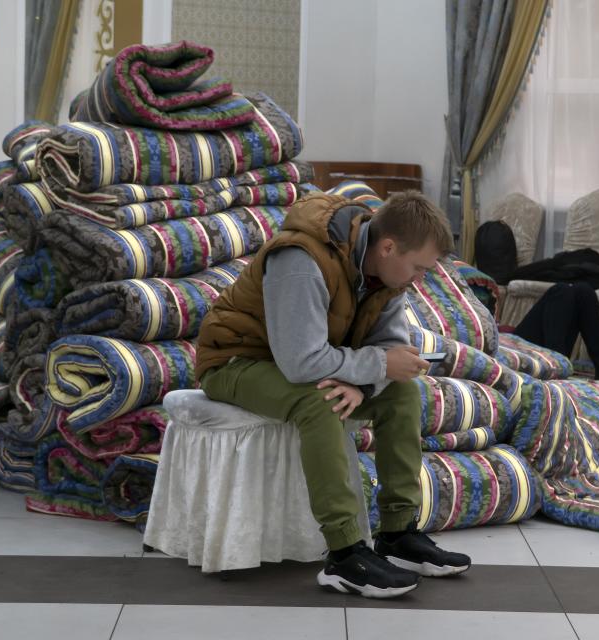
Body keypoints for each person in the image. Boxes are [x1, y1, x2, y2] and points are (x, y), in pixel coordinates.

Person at [195, 190, 471, 598]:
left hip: (298, 363)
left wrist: (364, 383)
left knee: (403, 394)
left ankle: (397, 534)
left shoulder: (388, 277)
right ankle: (344, 554)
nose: (420, 279)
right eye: (418, 267)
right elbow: (301, 363)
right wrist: (375, 368)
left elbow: (389, 350)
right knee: (319, 400)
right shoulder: (301, 260)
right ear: (389, 246)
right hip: (236, 361)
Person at [512, 281, 599, 386]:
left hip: (515, 339)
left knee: (583, 290)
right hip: (512, 348)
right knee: (561, 291)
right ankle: (556, 367)